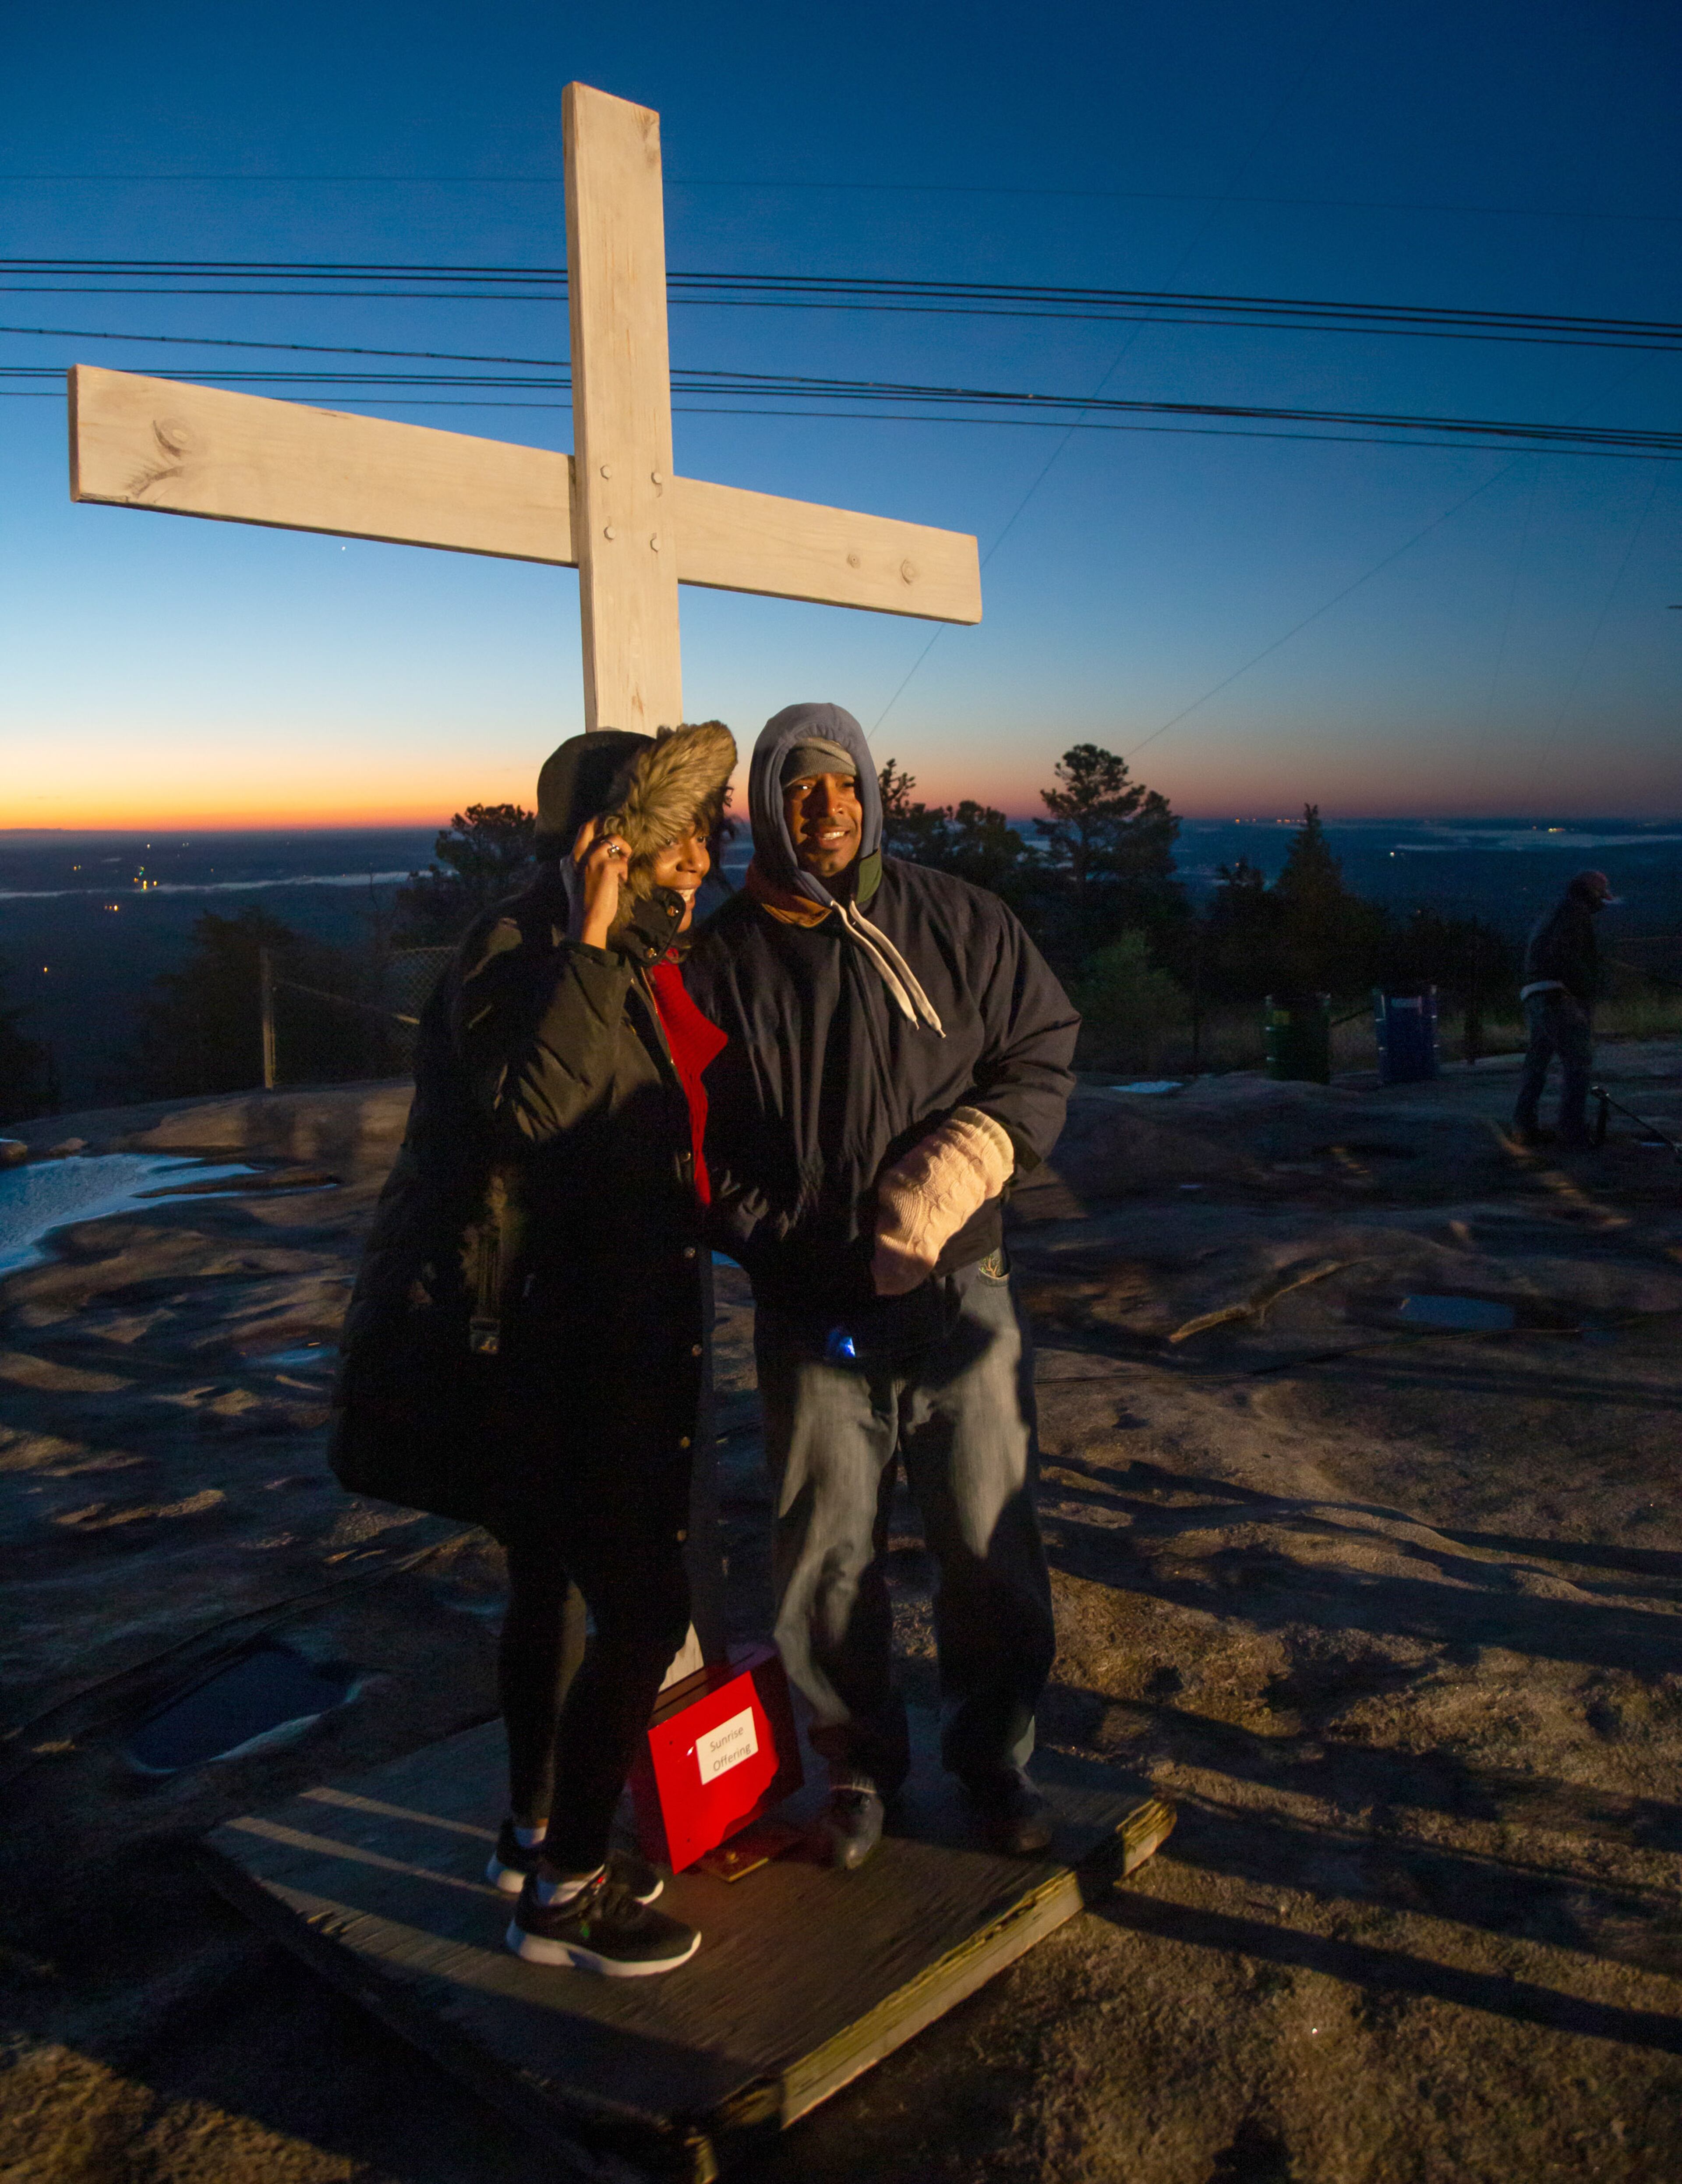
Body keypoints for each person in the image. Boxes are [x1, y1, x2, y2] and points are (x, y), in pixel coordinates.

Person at [330, 720, 735, 1975]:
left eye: (705, 833)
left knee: (551, 1588)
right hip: (557, 1349)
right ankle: (565, 1895)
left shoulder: (604, 951)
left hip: (573, 1332)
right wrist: (598, 937)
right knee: (642, 1606)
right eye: (680, 837)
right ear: (606, 843)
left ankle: (526, 1832)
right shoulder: (526, 944)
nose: (703, 855)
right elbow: (531, 1109)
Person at [685, 703, 1080, 1869]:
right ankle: (855, 1769)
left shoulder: (960, 921)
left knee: (987, 1537)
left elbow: (1043, 1047)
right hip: (815, 1304)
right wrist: (789, 1242)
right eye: (801, 791)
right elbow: (695, 1148)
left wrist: (971, 1162)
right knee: (826, 1550)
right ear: (768, 805)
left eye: (843, 785)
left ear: (873, 791)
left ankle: (993, 1763)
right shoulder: (724, 962)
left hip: (963, 1291)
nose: (827, 809)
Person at [1512, 868, 1615, 1151]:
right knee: (1578, 1062)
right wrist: (1584, 992)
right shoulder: (1575, 914)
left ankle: (1524, 1126)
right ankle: (1572, 1132)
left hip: (1535, 994)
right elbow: (1569, 958)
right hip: (1558, 996)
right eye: (1601, 896)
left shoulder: (1555, 910)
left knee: (1537, 1062)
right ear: (1592, 892)